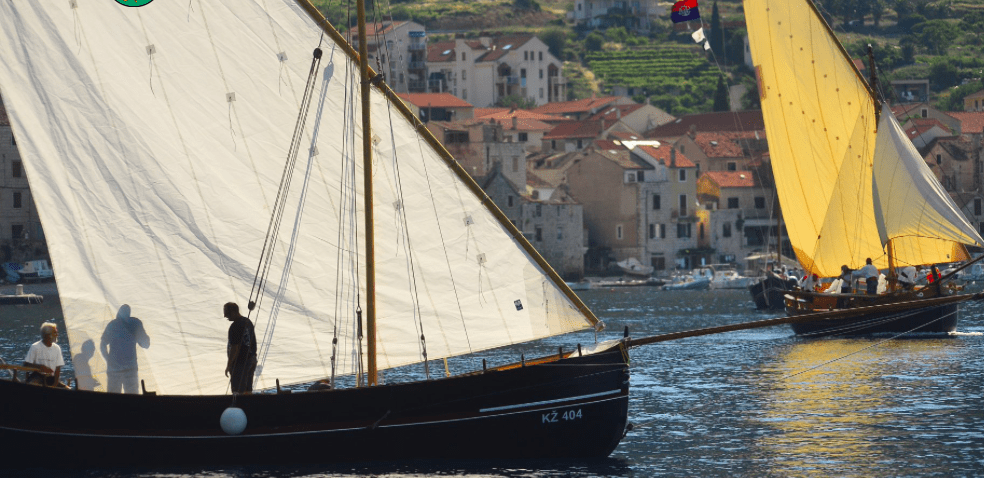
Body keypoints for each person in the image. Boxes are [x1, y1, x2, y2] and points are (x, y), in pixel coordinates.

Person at [224, 302, 257, 394]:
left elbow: (235, 348)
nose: (225, 316)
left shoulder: (235, 326)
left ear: (234, 312)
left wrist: (229, 365)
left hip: (240, 364)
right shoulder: (248, 322)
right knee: (248, 390)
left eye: (227, 313)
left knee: (237, 392)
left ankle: (239, 403)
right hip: (251, 360)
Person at [23, 322, 67, 387]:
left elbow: (58, 368)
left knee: (67, 389)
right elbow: (26, 364)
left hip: (51, 378)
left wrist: (55, 384)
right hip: (38, 376)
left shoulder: (57, 348)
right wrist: (40, 367)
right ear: (47, 335)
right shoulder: (35, 347)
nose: (57, 335)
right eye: (55, 333)